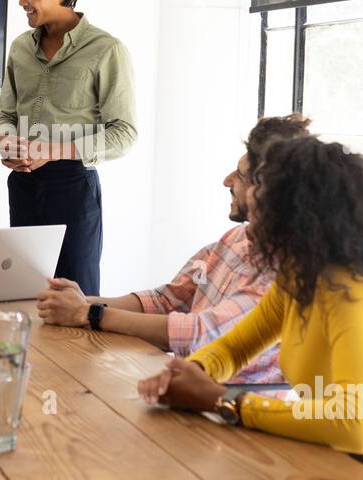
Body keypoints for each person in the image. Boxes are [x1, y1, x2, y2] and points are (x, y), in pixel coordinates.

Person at [137, 136, 363, 480]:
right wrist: (192, 372)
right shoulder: (298, 277)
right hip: (333, 464)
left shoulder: (347, 291)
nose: (251, 199)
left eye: (262, 189)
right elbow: (234, 349)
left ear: (297, 210)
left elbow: (355, 425)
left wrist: (226, 402)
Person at [35, 115, 313, 386]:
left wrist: (90, 314)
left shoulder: (286, 274)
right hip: (183, 389)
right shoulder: (235, 240)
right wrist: (81, 301)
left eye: (239, 175)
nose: (227, 181)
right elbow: (168, 299)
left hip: (232, 411)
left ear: (268, 191)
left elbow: (201, 334)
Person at [0, 0, 137, 296]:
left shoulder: (106, 49)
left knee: (76, 296)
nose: (21, 1)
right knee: (25, 293)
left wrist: (53, 151)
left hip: (73, 187)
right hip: (24, 185)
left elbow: (125, 132)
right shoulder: (19, 49)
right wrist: (4, 141)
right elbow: (7, 116)